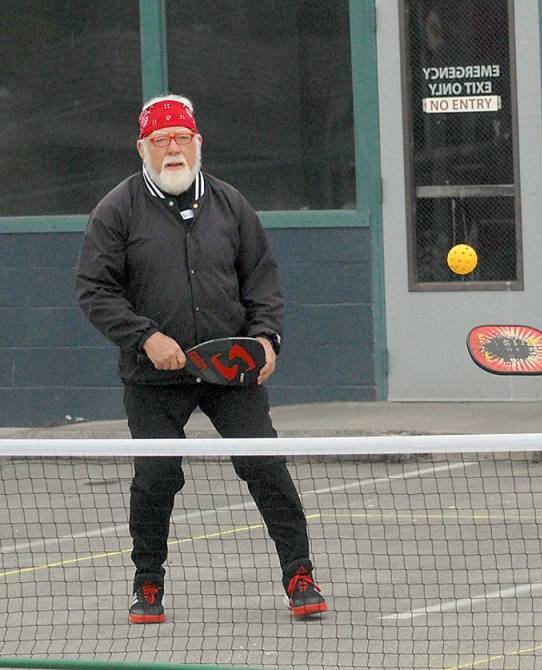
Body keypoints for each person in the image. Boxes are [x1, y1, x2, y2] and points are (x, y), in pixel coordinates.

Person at [75, 94, 328, 623]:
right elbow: (95, 291)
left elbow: (263, 282)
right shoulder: (116, 210)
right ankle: (148, 585)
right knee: (155, 479)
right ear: (142, 147)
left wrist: (265, 340)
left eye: (182, 138)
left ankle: (300, 575)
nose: (173, 149)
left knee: (266, 466)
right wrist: (145, 338)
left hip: (230, 370)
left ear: (198, 143)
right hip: (153, 376)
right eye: (161, 140)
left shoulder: (232, 205)